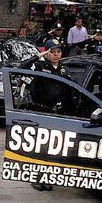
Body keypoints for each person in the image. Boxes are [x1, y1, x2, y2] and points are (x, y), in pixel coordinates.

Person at [21, 39, 75, 191]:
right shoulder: (39, 66)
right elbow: (21, 68)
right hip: (40, 111)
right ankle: (36, 177)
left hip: (57, 113)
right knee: (40, 147)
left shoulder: (64, 70)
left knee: (53, 147)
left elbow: (70, 92)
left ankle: (47, 177)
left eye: (58, 52)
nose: (56, 55)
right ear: (47, 53)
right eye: (52, 52)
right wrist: (37, 56)